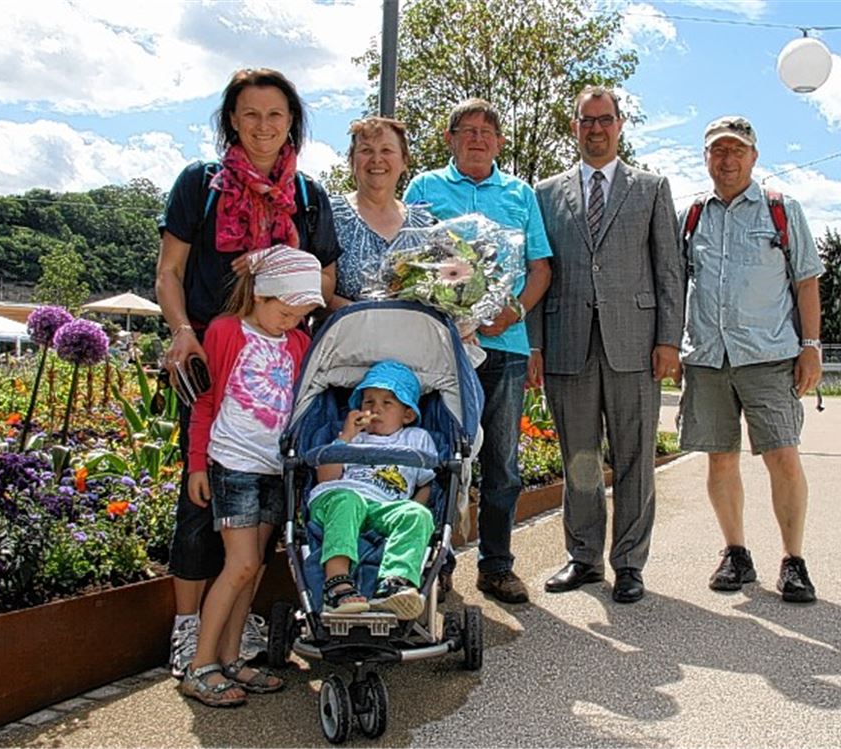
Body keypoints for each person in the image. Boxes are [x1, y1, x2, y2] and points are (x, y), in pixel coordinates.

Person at [156, 67, 341, 679]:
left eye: (276, 115)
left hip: (277, 363)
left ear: (292, 124)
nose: (264, 126)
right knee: (200, 500)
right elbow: (170, 271)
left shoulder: (308, 196)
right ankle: (190, 630)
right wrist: (182, 331)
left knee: (265, 516)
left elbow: (324, 281)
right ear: (232, 120)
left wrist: (278, 272)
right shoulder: (200, 184)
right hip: (215, 355)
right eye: (251, 114)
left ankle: (235, 632)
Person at [530, 86, 684, 604]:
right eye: (586, 120)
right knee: (579, 456)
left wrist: (668, 339)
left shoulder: (651, 188)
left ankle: (630, 563)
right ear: (574, 126)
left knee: (635, 457)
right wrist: (534, 345)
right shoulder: (545, 193)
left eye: (604, 119)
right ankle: (584, 557)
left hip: (635, 344)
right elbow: (537, 271)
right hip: (567, 342)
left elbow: (669, 270)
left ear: (620, 125)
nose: (595, 129)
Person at [404, 98, 553, 604]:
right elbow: (409, 258)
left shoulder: (520, 193)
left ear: (500, 142)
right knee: (437, 455)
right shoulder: (425, 187)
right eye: (467, 130)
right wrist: (448, 308)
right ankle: (436, 565)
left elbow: (540, 268)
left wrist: (513, 312)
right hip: (442, 347)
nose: (477, 139)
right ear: (450, 139)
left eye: (487, 132)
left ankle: (496, 566)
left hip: (504, 346)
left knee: (501, 464)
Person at [678, 115, 824, 604]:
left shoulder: (781, 209)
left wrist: (811, 347)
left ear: (754, 157)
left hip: (769, 356)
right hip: (708, 357)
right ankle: (735, 552)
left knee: (783, 456)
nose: (728, 159)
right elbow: (677, 283)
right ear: (706, 158)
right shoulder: (692, 216)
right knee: (720, 459)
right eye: (718, 150)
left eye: (737, 150)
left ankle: (793, 560)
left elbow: (806, 280)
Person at [179, 246, 323, 707]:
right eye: (285, 312)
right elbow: (205, 401)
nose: (290, 322)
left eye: (299, 316)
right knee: (239, 563)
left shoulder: (297, 342)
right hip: (234, 464)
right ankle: (200, 665)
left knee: (255, 566)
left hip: (274, 468)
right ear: (260, 295)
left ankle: (231, 656)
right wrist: (197, 463)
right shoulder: (226, 332)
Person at [308, 360, 437, 620]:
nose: (375, 408)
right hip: (339, 499)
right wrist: (346, 436)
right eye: (368, 402)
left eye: (387, 403)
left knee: (418, 514)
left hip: (385, 507)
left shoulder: (416, 438)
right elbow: (325, 478)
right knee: (348, 500)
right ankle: (337, 583)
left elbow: (427, 483)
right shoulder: (353, 437)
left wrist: (413, 508)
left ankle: (394, 583)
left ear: (407, 415)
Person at [329, 117, 435, 308]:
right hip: (345, 327)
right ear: (352, 160)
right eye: (366, 150)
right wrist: (371, 317)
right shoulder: (329, 215)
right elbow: (317, 295)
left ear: (404, 161)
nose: (377, 159)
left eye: (386, 150)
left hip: (414, 328)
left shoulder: (427, 225)